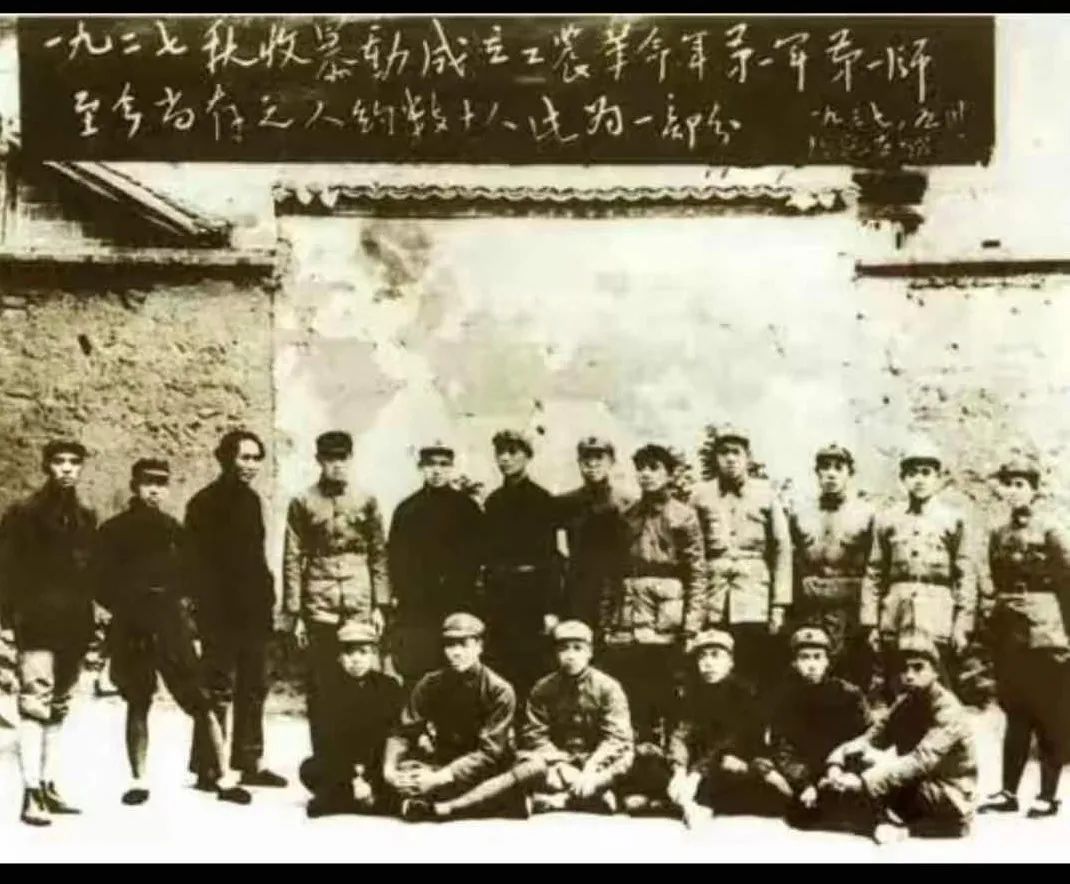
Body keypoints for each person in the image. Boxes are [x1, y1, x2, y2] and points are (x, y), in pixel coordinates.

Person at [95, 459, 251, 807]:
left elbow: (191, 574)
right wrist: (127, 604)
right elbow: (100, 581)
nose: (154, 490)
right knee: (138, 700)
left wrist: (180, 607)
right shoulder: (113, 530)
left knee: (200, 698)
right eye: (147, 483)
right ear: (134, 486)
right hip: (131, 624)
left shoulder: (173, 530)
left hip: (169, 621)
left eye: (161, 483)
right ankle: (139, 780)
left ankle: (224, 776)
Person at [417, 620, 634, 819]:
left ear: (590, 652)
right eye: (563, 649)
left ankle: (561, 800)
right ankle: (453, 807)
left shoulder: (609, 688)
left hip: (597, 766)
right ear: (555, 653)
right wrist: (561, 764)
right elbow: (535, 735)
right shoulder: (543, 689)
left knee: (626, 759)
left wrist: (591, 770)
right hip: (556, 766)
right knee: (528, 765)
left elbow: (616, 738)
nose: (570, 655)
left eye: (578, 648)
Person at [0, 440, 97, 826]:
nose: (67, 469)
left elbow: (90, 574)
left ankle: (48, 783)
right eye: (59, 461)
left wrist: (92, 625)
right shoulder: (23, 514)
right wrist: (7, 623)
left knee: (59, 705)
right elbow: (6, 571)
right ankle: (31, 792)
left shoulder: (86, 518)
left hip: (74, 625)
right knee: (35, 703)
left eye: (74, 462)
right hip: (36, 623)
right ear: (46, 466)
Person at [186, 430, 287, 790]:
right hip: (219, 613)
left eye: (256, 459)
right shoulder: (203, 503)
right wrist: (204, 612)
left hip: (253, 611)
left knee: (254, 687)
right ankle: (208, 767)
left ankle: (249, 762)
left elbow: (255, 558)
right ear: (226, 458)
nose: (251, 465)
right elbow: (195, 563)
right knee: (217, 688)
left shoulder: (252, 502)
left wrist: (266, 598)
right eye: (244, 457)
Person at [283, 431, 390, 760]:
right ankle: (326, 761)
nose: (337, 465)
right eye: (330, 459)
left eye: (342, 458)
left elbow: (378, 553)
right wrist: (296, 613)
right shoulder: (303, 501)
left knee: (363, 682)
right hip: (320, 605)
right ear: (319, 461)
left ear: (350, 459)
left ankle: (363, 759)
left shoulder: (366, 500)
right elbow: (292, 556)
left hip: (359, 602)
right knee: (322, 684)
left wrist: (380, 605)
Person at [978, 455, 1070, 819]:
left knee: (1048, 713)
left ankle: (1048, 795)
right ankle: (1007, 792)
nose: (1014, 491)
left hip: (1045, 631)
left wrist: (1067, 633)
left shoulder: (1051, 531)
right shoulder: (998, 535)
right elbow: (996, 578)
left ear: (1034, 491)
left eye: (1021, 484)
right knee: (1014, 713)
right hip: (1009, 634)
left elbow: (1067, 581)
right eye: (1009, 484)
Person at [826, 632, 979, 844]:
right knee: (854, 766)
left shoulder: (948, 710)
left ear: (935, 671)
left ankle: (900, 827)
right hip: (919, 783)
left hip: (949, 794)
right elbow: (872, 737)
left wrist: (864, 781)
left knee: (869, 784)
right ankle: (884, 821)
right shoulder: (906, 702)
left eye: (918, 668)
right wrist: (836, 763)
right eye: (904, 669)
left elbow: (921, 760)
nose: (909, 675)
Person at [603, 444, 705, 751]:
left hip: (667, 613)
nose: (646, 474)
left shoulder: (683, 516)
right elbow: (613, 571)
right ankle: (641, 750)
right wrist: (607, 619)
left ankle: (672, 751)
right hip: (631, 610)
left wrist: (692, 625)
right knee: (633, 682)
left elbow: (697, 572)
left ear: (670, 474)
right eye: (641, 468)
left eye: (654, 468)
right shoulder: (628, 515)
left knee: (667, 684)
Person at [860, 439, 976, 701]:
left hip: (938, 614)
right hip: (896, 615)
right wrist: (871, 623)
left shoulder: (953, 519)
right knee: (897, 685)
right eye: (912, 473)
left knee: (938, 687)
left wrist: (962, 624)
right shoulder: (887, 519)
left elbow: (965, 575)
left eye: (926, 472)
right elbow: (874, 572)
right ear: (903, 478)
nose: (919, 480)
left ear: (938, 478)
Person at [383, 613, 516, 822]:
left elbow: (490, 753)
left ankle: (441, 805)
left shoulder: (499, 690)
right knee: (408, 773)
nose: (456, 653)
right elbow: (403, 732)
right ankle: (437, 801)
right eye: (450, 645)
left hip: (482, 768)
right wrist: (390, 771)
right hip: (442, 761)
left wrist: (439, 778)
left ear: (479, 646)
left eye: (464, 644)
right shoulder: (430, 683)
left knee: (508, 781)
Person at [691, 427, 792, 694]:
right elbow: (692, 550)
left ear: (748, 457)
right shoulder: (699, 495)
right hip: (713, 595)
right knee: (712, 664)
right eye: (724, 452)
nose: (730, 459)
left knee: (752, 667)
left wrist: (779, 604)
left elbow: (782, 548)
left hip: (754, 597)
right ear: (716, 458)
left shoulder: (766, 494)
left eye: (736, 452)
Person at [754, 626, 870, 831]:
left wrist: (843, 770)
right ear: (795, 663)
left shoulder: (849, 695)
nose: (811, 665)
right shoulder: (785, 698)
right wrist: (804, 783)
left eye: (817, 657)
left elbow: (866, 738)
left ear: (827, 661)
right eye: (804, 658)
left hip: (841, 768)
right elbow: (783, 748)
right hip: (803, 771)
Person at [387, 440, 483, 684]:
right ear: (421, 468)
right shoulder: (407, 510)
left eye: (443, 464)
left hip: (457, 600)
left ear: (451, 468)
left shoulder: (467, 508)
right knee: (419, 666)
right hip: (418, 604)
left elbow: (476, 556)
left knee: (457, 664)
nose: (437, 470)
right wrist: (406, 593)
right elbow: (396, 558)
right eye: (430, 465)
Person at [787, 444, 877, 691]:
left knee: (849, 675)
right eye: (825, 467)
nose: (831, 473)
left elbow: (876, 566)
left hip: (849, 610)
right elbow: (790, 560)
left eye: (838, 467)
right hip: (810, 608)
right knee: (809, 674)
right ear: (817, 473)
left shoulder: (866, 514)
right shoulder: (799, 513)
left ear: (849, 473)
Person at [482, 430, 563, 704]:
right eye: (500, 453)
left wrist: (550, 608)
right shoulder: (493, 502)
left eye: (513, 452)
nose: (505, 459)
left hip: (531, 596)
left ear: (527, 457)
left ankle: (530, 722)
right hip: (499, 596)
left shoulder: (542, 500)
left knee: (531, 663)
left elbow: (552, 558)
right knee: (499, 662)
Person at [663, 629, 771, 827]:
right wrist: (679, 769)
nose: (708, 663)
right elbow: (681, 733)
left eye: (715, 655)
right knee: (655, 765)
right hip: (699, 760)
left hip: (730, 759)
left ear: (730, 662)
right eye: (702, 656)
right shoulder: (693, 691)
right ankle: (686, 801)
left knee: (732, 770)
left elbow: (731, 740)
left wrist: (696, 774)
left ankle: (690, 803)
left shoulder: (744, 694)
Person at [298, 621, 403, 818]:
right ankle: (362, 800)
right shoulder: (324, 690)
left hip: (377, 763)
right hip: (341, 765)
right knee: (310, 769)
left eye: (363, 652)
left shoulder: (389, 686)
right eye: (349, 652)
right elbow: (323, 741)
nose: (356, 659)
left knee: (401, 774)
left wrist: (374, 774)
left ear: (373, 654)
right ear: (339, 656)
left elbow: (395, 733)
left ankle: (346, 800)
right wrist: (353, 778)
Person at [556, 438, 634, 636]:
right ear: (579, 463)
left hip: (614, 587)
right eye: (586, 458)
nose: (592, 464)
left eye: (599, 457)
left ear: (611, 462)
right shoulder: (566, 503)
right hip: (577, 588)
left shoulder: (626, 502)